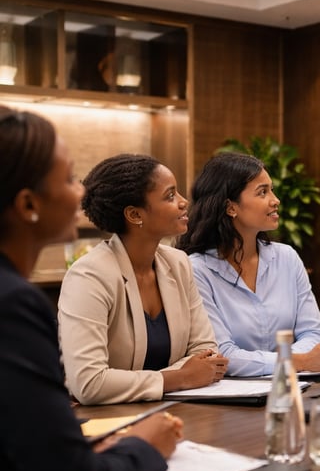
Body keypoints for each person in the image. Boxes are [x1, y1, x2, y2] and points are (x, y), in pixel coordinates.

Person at [0, 105, 183, 471]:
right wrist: (144, 445)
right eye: (69, 179)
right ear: (27, 204)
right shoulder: (13, 307)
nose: (82, 191)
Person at [58, 153, 228, 405]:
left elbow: (206, 352)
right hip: (106, 419)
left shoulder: (178, 263)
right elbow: (89, 383)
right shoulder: (89, 276)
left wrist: (183, 376)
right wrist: (180, 378)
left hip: (173, 409)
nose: (184, 202)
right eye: (170, 196)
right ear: (135, 215)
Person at [176, 152, 320, 376]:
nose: (275, 200)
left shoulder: (287, 258)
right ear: (231, 207)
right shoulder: (196, 270)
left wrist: (297, 361)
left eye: (272, 189)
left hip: (295, 385)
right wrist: (296, 361)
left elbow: (314, 333)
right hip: (230, 394)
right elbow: (221, 354)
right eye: (262, 192)